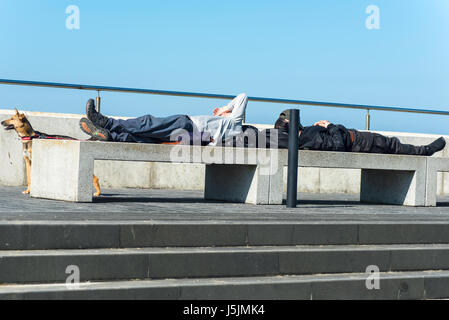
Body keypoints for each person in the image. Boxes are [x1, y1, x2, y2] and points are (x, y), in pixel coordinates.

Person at [79, 93, 248, 146]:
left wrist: (225, 110)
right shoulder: (229, 137)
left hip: (188, 124)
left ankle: (105, 122)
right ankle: (110, 136)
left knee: (146, 123)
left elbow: (243, 96)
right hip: (190, 138)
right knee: (145, 138)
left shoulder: (235, 123)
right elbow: (211, 140)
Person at [273, 109, 446, 156]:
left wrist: (323, 126)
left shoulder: (307, 136)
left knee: (393, 144)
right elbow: (338, 147)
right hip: (362, 142)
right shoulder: (309, 138)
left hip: (359, 140)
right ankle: (425, 151)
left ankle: (423, 150)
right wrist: (330, 126)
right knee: (393, 145)